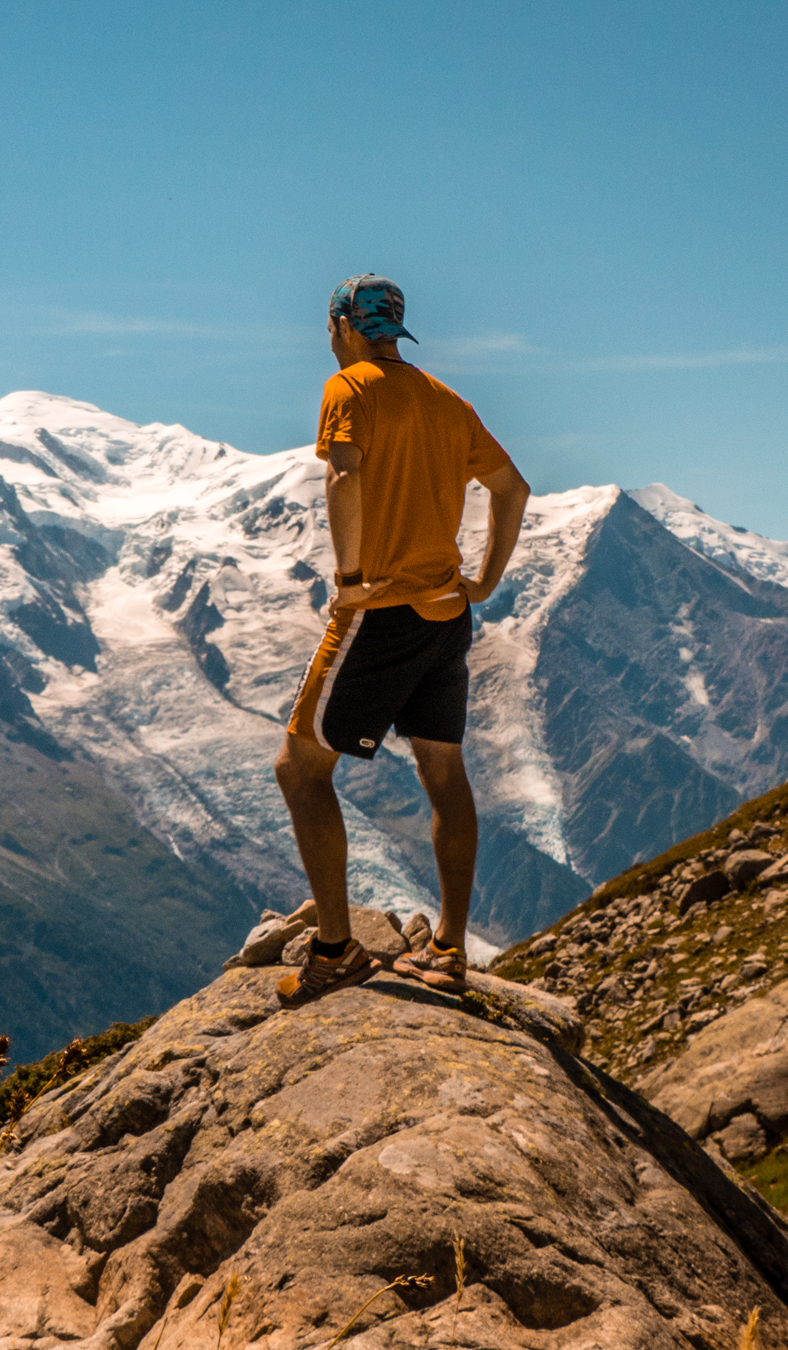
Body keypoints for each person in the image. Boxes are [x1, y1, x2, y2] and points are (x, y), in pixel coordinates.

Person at [274, 274, 530, 1008]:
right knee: (444, 774)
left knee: (299, 769)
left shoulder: (348, 387)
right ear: (397, 329)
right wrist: (483, 581)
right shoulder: (448, 401)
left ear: (341, 325)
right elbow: (512, 488)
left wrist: (352, 576)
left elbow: (343, 478)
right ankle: (448, 948)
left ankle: (334, 951)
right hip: (447, 612)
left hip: (380, 612)